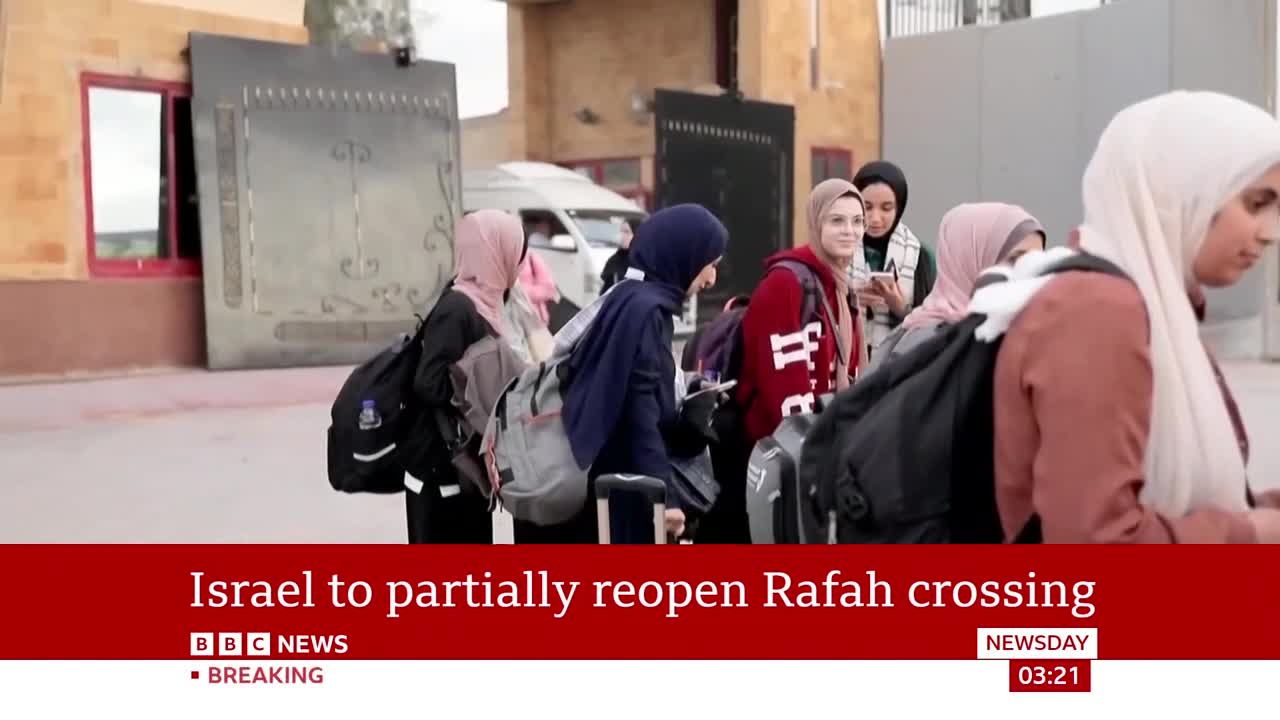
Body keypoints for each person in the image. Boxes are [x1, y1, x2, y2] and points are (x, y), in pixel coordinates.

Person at [980, 90, 1280, 543]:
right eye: (1257, 203)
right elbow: (1093, 547)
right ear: (1179, 191)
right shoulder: (1096, 311)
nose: (1270, 232)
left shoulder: (1154, 305)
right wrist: (1247, 535)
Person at [549, 204, 728, 544]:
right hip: (628, 485)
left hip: (612, 473)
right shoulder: (647, 312)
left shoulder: (631, 298)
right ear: (683, 255)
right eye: (710, 266)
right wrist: (664, 499)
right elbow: (638, 409)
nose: (711, 279)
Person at [405, 209, 527, 544]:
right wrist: (476, 391)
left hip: (462, 464)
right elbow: (427, 382)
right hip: (441, 465)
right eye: (514, 252)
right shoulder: (458, 307)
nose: (517, 263)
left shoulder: (485, 303)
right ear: (493, 251)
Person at [866, 202, 1044, 371]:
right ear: (970, 259)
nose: (1030, 269)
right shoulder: (927, 344)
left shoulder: (1017, 331)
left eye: (1038, 260)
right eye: (1016, 259)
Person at [851, 161, 937, 357]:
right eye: (867, 207)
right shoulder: (839, 249)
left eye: (886, 208)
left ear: (899, 207)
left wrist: (900, 308)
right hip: (846, 372)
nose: (875, 218)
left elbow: (935, 329)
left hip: (899, 371)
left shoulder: (919, 256)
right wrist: (848, 301)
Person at [518, 251, 559, 325]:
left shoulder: (530, 257)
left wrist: (518, 292)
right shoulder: (495, 260)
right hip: (508, 325)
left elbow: (548, 289)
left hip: (536, 321)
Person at [600, 217, 640, 293]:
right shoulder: (614, 260)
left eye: (627, 232)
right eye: (621, 231)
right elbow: (605, 291)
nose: (622, 236)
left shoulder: (646, 261)